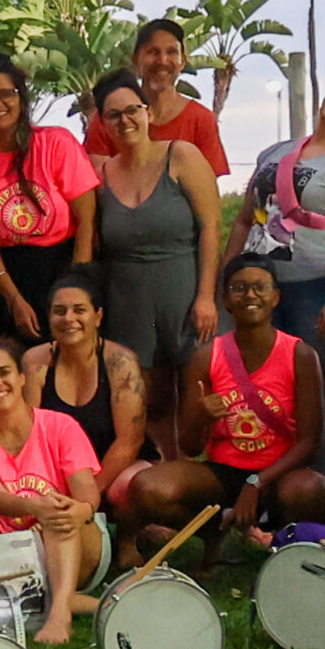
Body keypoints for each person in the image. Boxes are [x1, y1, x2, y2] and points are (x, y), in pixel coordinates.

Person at [132, 255, 325, 560]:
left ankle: (280, 540)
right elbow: (189, 445)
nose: (250, 295)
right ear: (226, 300)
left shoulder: (300, 355)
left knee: (316, 492)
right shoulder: (206, 357)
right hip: (223, 471)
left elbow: (311, 443)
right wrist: (201, 416)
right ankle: (214, 532)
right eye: (239, 288)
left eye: (260, 288)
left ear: (275, 298)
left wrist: (257, 482)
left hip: (279, 474)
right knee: (147, 487)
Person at [226, 75, 325, 465]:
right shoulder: (275, 152)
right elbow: (245, 220)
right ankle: (262, 484)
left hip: (317, 288)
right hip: (261, 290)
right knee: (261, 391)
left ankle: (316, 492)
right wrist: (227, 277)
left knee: (315, 394)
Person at [90, 68, 221, 455]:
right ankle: (169, 479)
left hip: (184, 293)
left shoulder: (181, 155)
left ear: (147, 111)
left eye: (132, 110)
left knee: (200, 395)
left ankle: (211, 482)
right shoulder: (101, 176)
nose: (125, 120)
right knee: (154, 402)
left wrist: (206, 296)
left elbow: (211, 226)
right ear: (103, 122)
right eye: (113, 114)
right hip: (129, 302)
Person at [0, 339, 104, 643]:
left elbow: (86, 488)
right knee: (50, 510)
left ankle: (59, 615)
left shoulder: (61, 426)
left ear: (22, 377)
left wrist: (83, 509)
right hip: (12, 556)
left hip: (76, 541)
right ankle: (100, 605)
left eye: (4, 372)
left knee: (58, 512)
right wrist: (36, 507)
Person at [0, 53, 98, 344]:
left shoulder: (56, 143)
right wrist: (14, 299)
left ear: (21, 97)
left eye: (6, 94)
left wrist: (75, 289)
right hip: (10, 282)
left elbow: (86, 220)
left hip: (65, 267)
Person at [21, 271, 145, 567]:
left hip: (113, 464)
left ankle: (128, 539)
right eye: (59, 311)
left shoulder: (120, 362)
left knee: (124, 487)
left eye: (79, 310)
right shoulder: (35, 361)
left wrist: (88, 495)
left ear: (98, 316)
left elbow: (129, 441)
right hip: (60, 468)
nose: (68, 319)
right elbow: (29, 433)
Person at [89, 18, 227, 176]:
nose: (162, 60)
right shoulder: (109, 118)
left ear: (183, 62)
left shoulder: (201, 120)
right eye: (153, 52)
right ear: (135, 59)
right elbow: (97, 182)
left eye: (171, 52)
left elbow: (208, 187)